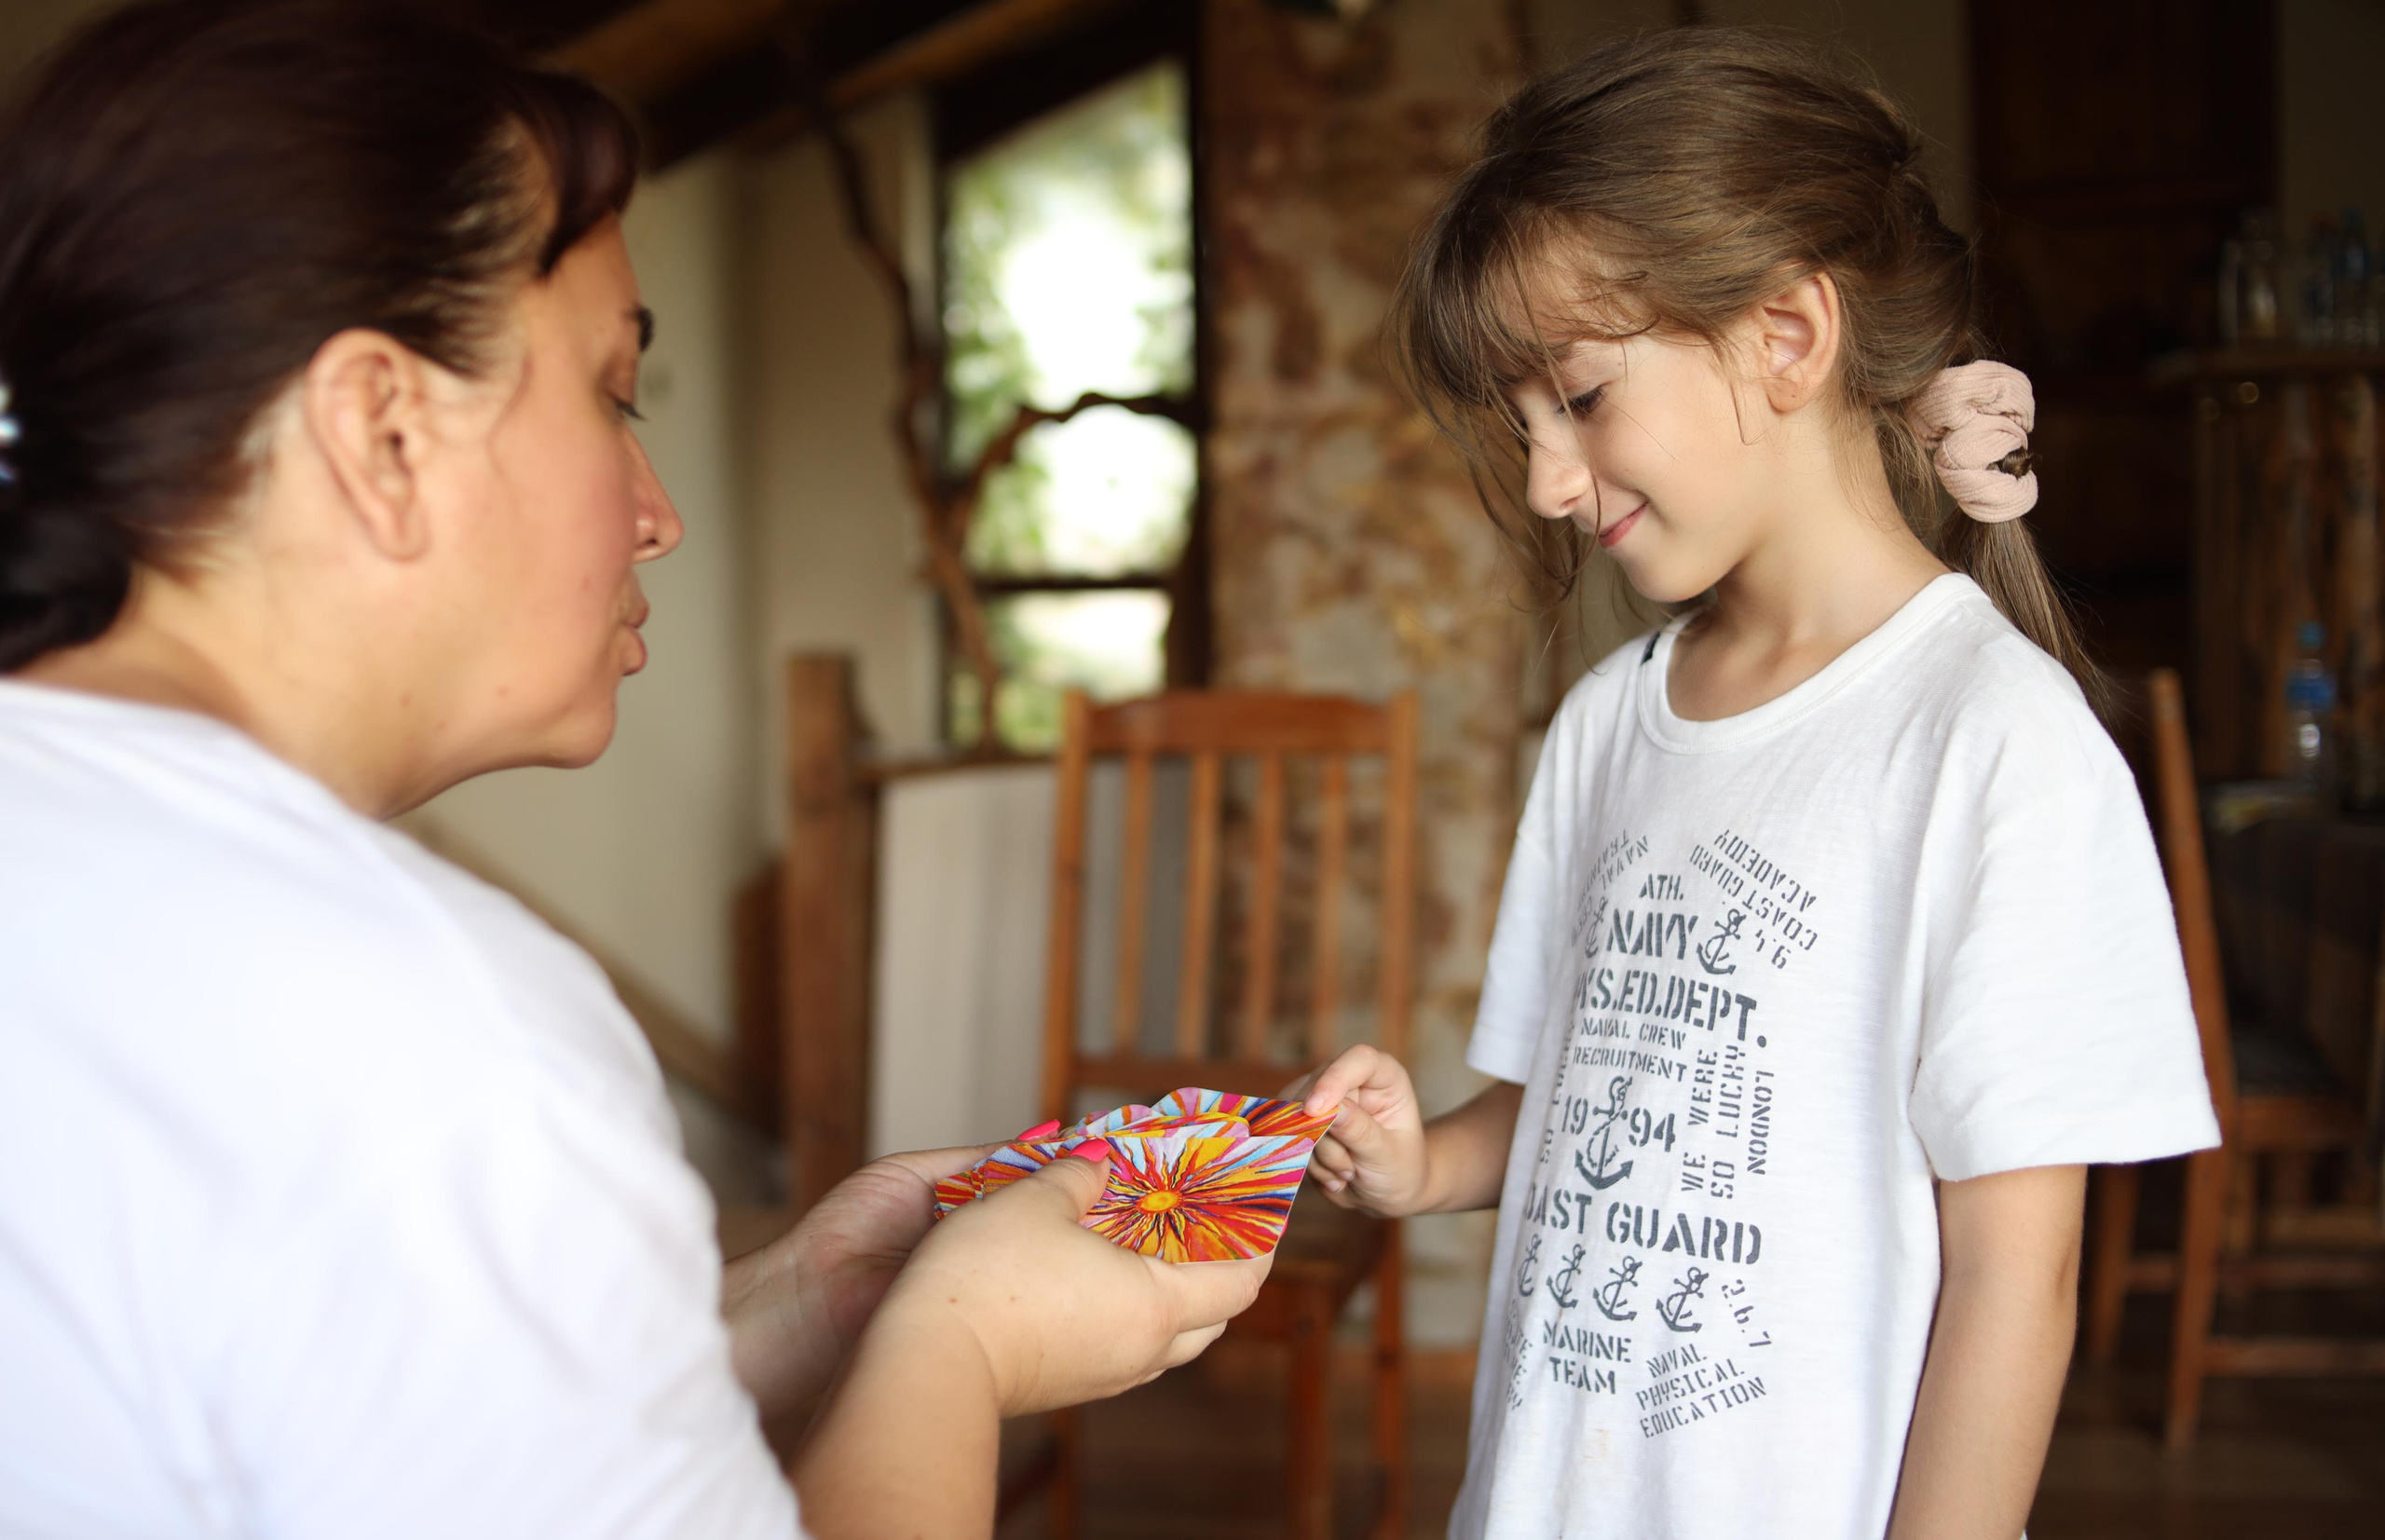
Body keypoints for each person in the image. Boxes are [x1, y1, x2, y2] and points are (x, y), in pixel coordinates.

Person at [0, 5, 1263, 1537]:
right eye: (613, 389)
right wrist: (959, 1343)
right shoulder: (431, 1032)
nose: (656, 512)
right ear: (382, 431)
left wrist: (802, 1305)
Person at [1285, 29, 2219, 1540]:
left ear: (1786, 336)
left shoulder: (1997, 742)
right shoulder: (1607, 724)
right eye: (1523, 425)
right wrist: (1418, 1160)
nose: (1545, 479)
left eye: (1579, 399)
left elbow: (2015, 1279)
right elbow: (1566, 1108)